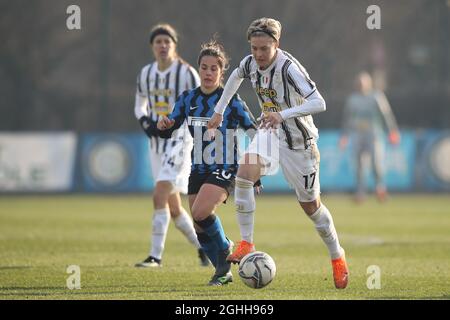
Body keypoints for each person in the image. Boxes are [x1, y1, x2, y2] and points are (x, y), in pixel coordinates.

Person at [208, 17, 349, 289]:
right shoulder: (250, 63)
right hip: (271, 133)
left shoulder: (289, 69)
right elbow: (236, 77)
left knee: (311, 207)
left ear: (277, 44)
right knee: (244, 173)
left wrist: (282, 115)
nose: (258, 55)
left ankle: (337, 255)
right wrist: (218, 111)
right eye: (254, 48)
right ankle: (247, 243)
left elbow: (319, 102)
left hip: (299, 143)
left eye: (264, 49)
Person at [157, 38, 257, 285]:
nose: (209, 72)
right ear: (199, 68)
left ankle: (224, 249)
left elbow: (255, 133)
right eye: (204, 67)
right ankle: (223, 273)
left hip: (226, 167)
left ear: (222, 72)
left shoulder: (230, 100)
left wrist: (256, 172)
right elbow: (170, 125)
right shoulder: (188, 99)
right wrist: (164, 125)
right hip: (198, 168)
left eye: (214, 68)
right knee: (200, 226)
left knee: (201, 211)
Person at [134, 23, 209, 268]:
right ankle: (204, 248)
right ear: (152, 46)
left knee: (159, 195)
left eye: (168, 42)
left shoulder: (187, 73)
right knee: (174, 208)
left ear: (174, 45)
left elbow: (198, 105)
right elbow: (139, 105)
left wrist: (179, 126)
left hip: (179, 141)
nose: (163, 46)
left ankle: (155, 256)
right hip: (156, 144)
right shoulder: (146, 73)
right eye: (159, 42)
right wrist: (146, 122)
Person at [340, 72, 400, 203]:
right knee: (359, 165)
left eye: (363, 82)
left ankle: (380, 189)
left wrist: (392, 131)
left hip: (373, 134)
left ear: (369, 83)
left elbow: (386, 115)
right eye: (359, 83)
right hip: (357, 135)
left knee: (376, 163)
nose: (361, 85)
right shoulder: (353, 99)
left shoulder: (376, 97)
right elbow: (347, 119)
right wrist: (344, 135)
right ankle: (360, 193)